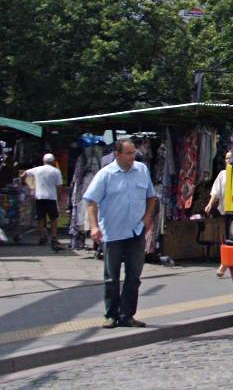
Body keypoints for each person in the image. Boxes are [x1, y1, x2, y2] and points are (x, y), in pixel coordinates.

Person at [84, 138, 157, 329]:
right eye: (129, 153)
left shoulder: (141, 170)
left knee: (134, 277)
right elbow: (91, 203)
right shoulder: (105, 174)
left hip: (136, 231)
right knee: (111, 277)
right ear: (118, 155)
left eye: (134, 153)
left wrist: (148, 218)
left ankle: (127, 315)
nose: (133, 156)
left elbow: (151, 197)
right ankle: (111, 315)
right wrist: (93, 227)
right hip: (113, 233)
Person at [21, 153, 64, 250]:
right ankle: (53, 237)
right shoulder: (56, 171)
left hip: (39, 197)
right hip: (51, 197)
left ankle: (42, 237)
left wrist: (28, 185)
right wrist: (60, 198)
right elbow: (59, 187)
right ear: (53, 162)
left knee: (40, 218)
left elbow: (23, 174)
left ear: (44, 161)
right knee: (53, 218)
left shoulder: (37, 169)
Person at [204, 151, 231, 278]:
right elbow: (216, 191)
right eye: (226, 158)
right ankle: (225, 263)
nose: (228, 160)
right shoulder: (223, 175)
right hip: (225, 210)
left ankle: (225, 264)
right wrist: (210, 203)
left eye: (231, 158)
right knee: (225, 238)